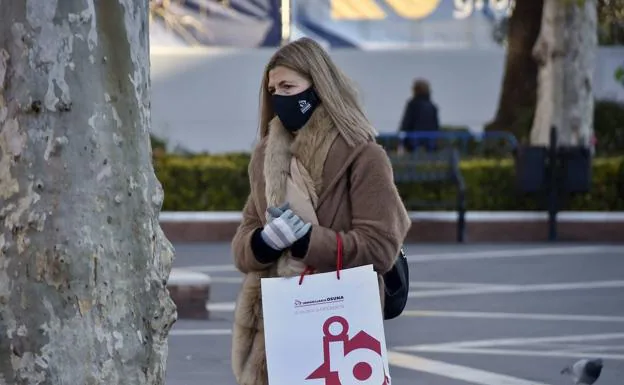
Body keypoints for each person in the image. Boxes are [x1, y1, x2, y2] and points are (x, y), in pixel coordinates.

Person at [230, 37, 411, 385]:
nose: (279, 97)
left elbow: (381, 248)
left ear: (318, 87)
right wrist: (264, 242)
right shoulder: (264, 157)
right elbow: (243, 242)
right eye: (272, 89)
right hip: (277, 326)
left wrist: (306, 241)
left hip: (339, 321)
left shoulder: (363, 156)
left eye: (288, 86)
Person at [398, 78, 440, 152]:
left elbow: (406, 124)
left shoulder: (412, 104)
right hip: (430, 143)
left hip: (413, 142)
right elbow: (436, 126)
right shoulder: (433, 106)